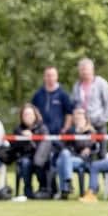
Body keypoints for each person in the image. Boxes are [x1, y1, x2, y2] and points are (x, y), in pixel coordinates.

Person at [31, 66, 74, 195]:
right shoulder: (38, 95)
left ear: (57, 77)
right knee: (40, 161)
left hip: (57, 137)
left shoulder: (63, 95)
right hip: (42, 137)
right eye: (47, 75)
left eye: (52, 75)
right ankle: (46, 188)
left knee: (56, 160)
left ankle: (62, 188)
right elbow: (33, 113)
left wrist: (65, 128)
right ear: (44, 77)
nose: (50, 78)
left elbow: (69, 114)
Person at [0, 104, 51, 199]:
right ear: (22, 117)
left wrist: (31, 138)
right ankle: (28, 191)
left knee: (39, 162)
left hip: (40, 159)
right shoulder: (18, 129)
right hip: (25, 157)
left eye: (30, 114)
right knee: (25, 163)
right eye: (25, 115)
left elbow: (44, 147)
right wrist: (23, 137)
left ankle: (43, 189)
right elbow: (14, 147)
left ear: (35, 115)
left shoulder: (42, 128)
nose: (28, 117)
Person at [70, 58, 108, 159]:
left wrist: (101, 120)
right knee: (84, 154)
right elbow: (74, 104)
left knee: (102, 154)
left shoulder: (101, 83)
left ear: (92, 70)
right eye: (82, 70)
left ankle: (104, 174)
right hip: (83, 128)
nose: (84, 72)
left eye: (86, 69)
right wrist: (78, 119)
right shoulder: (77, 86)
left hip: (98, 124)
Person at [57, 108, 97, 199]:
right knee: (64, 155)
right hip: (70, 157)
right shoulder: (70, 131)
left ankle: (65, 189)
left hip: (82, 159)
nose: (78, 116)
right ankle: (68, 182)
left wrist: (78, 134)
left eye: (80, 114)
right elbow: (62, 145)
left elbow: (89, 146)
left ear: (85, 117)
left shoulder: (91, 131)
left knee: (60, 162)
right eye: (76, 115)